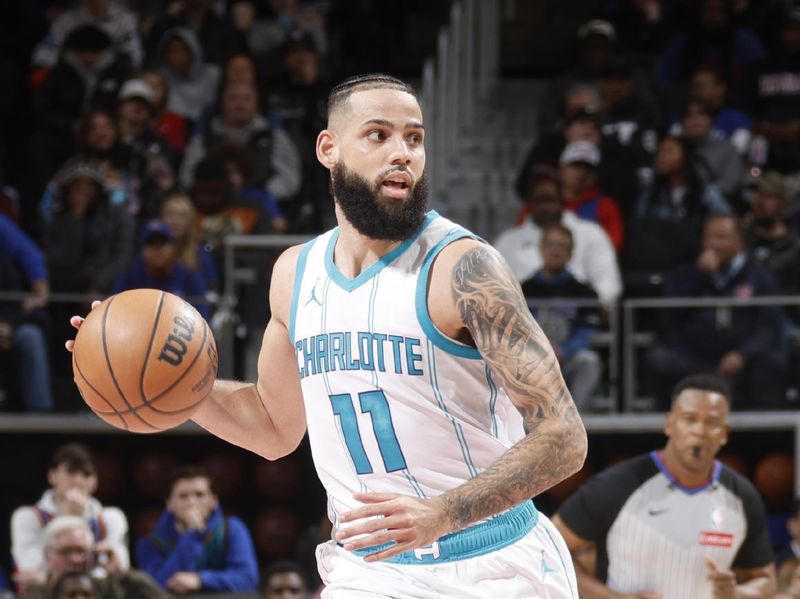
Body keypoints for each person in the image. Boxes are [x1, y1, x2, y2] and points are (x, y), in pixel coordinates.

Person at [70, 73, 587, 598]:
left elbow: (565, 438)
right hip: (369, 570)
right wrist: (169, 384)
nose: (402, 152)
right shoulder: (295, 274)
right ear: (328, 148)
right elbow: (274, 428)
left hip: (491, 563)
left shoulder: (463, 269)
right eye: (378, 134)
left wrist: (441, 513)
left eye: (414, 137)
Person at [553, 374, 777, 599]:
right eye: (689, 419)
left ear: (724, 433)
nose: (699, 430)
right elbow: (553, 545)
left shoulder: (742, 496)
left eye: (711, 422)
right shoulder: (620, 484)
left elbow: (765, 579)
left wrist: (737, 594)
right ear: (670, 424)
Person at [644, 214, 788, 409]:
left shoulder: (759, 277)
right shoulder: (686, 275)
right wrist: (699, 277)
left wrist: (742, 354)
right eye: (709, 238)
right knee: (659, 360)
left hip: (743, 358)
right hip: (695, 358)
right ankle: (668, 433)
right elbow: (669, 319)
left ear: (740, 241)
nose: (713, 244)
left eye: (721, 237)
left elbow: (769, 326)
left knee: (770, 364)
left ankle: (765, 437)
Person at [495, 164, 622, 306]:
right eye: (539, 200)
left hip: (578, 319)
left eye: (550, 200)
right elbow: (494, 287)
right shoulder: (508, 240)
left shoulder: (591, 233)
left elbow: (608, 285)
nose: (545, 207)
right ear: (530, 203)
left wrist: (594, 309)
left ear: (562, 200)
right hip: (524, 319)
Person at [11, 444, 130, 591]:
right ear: (52, 476)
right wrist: (70, 519)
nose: (78, 480)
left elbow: (118, 573)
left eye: (86, 474)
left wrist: (46, 578)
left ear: (95, 482)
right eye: (71, 472)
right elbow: (30, 568)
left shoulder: (111, 518)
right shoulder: (28, 516)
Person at [135, 466, 259, 594]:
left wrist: (200, 580)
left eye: (199, 495)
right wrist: (192, 534)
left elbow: (247, 579)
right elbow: (155, 587)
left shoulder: (232, 529)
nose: (192, 502)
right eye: (183, 496)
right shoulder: (150, 543)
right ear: (169, 503)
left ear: (214, 501)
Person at [521, 225, 602, 413]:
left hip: (568, 360)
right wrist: (540, 352)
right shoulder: (522, 289)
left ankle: (575, 421)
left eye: (562, 246)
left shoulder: (585, 292)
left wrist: (564, 352)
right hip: (532, 362)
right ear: (541, 249)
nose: (555, 251)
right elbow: (515, 330)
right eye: (550, 245)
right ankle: (525, 422)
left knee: (589, 361)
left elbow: (588, 331)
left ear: (570, 253)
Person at [21, 516, 166, 599]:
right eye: (67, 551)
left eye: (82, 551)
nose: (75, 559)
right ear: (48, 556)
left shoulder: (107, 588)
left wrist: (123, 574)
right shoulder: (38, 593)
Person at [111, 220, 210, 319]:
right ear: (141, 250)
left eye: (162, 243)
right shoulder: (129, 279)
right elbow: (114, 316)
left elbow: (203, 319)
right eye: (151, 244)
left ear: (173, 247)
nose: (157, 250)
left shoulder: (189, 278)